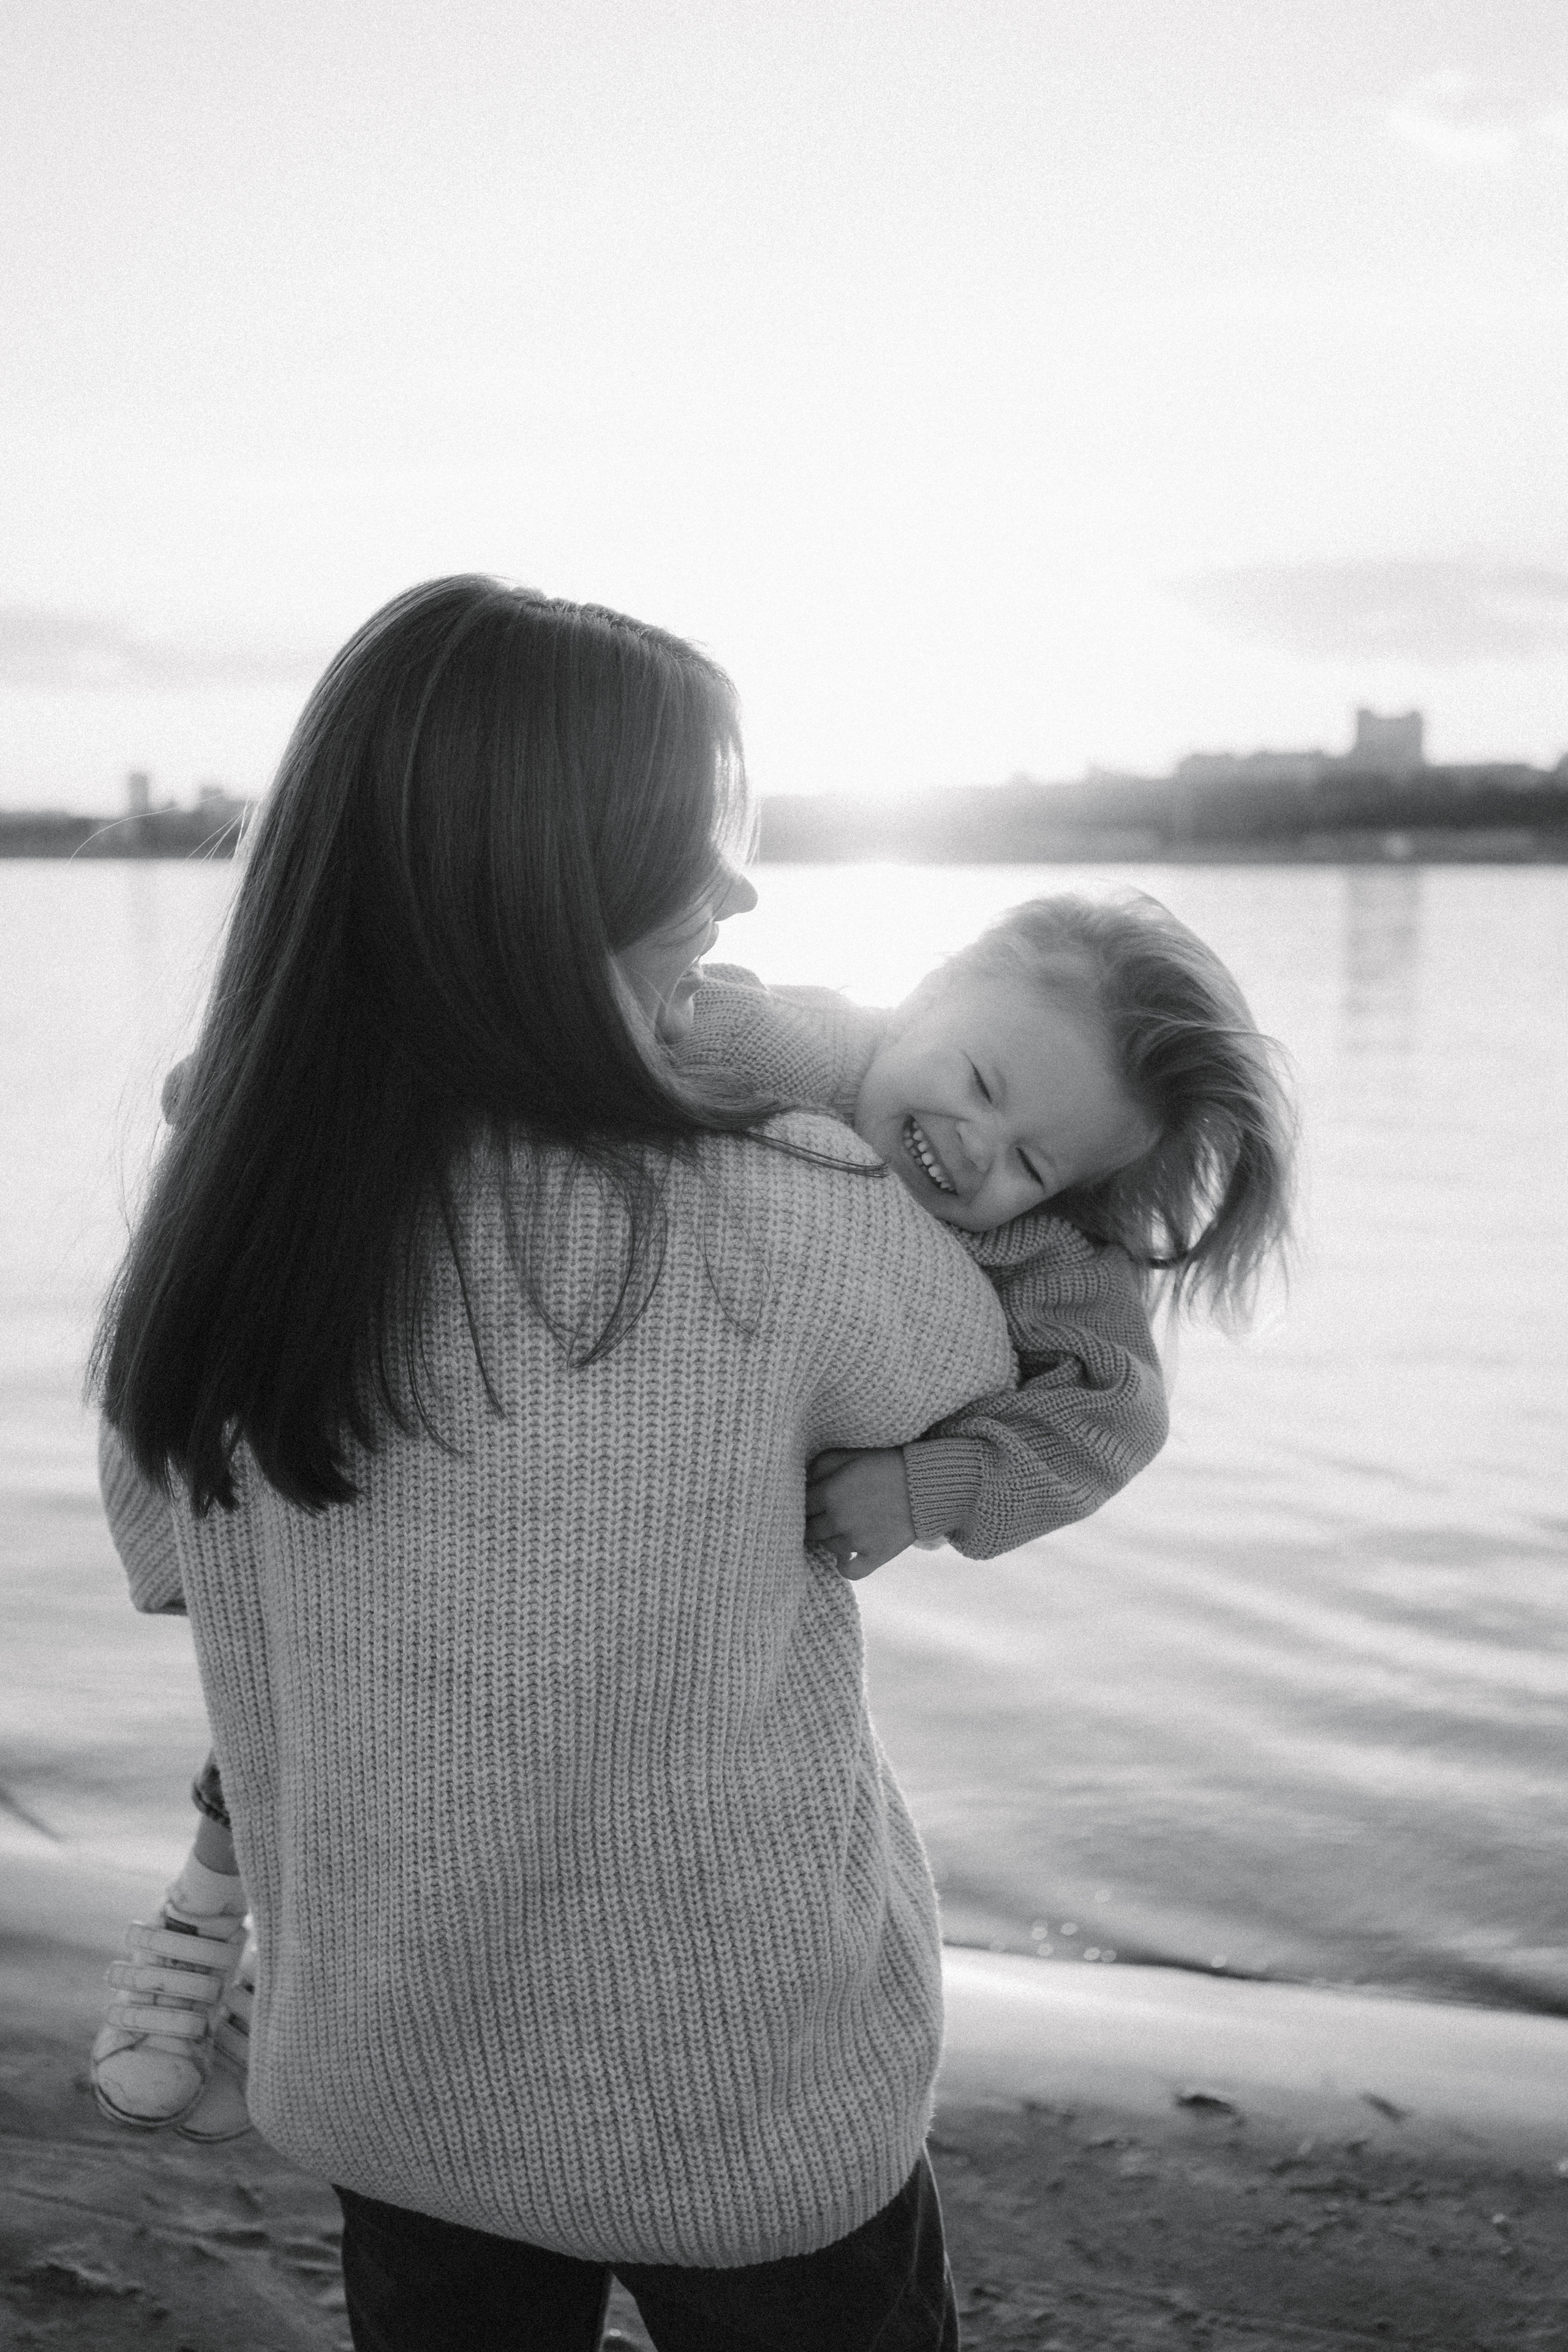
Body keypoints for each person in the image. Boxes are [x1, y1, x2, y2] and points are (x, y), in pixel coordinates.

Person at [92, 575, 1020, 2349]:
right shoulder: (788, 1219)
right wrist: (816, 1054)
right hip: (747, 2096)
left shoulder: (234, 1231)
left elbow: (164, 1554)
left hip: (394, 2079)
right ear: (558, 880)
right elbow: (989, 1371)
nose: (740, 893)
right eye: (697, 845)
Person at [94, 879, 1297, 2138]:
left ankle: (283, 1968)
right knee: (306, 1704)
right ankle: (202, 1920)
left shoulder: (1043, 1257)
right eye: (983, 1083)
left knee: (417, 1758)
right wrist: (258, 1104)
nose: (974, 1149)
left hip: (661, 1569)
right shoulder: (787, 1042)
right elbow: (544, 1033)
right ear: (929, 988)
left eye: (1033, 1160)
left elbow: (1111, 1417)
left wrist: (925, 1485)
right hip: (487, 1441)